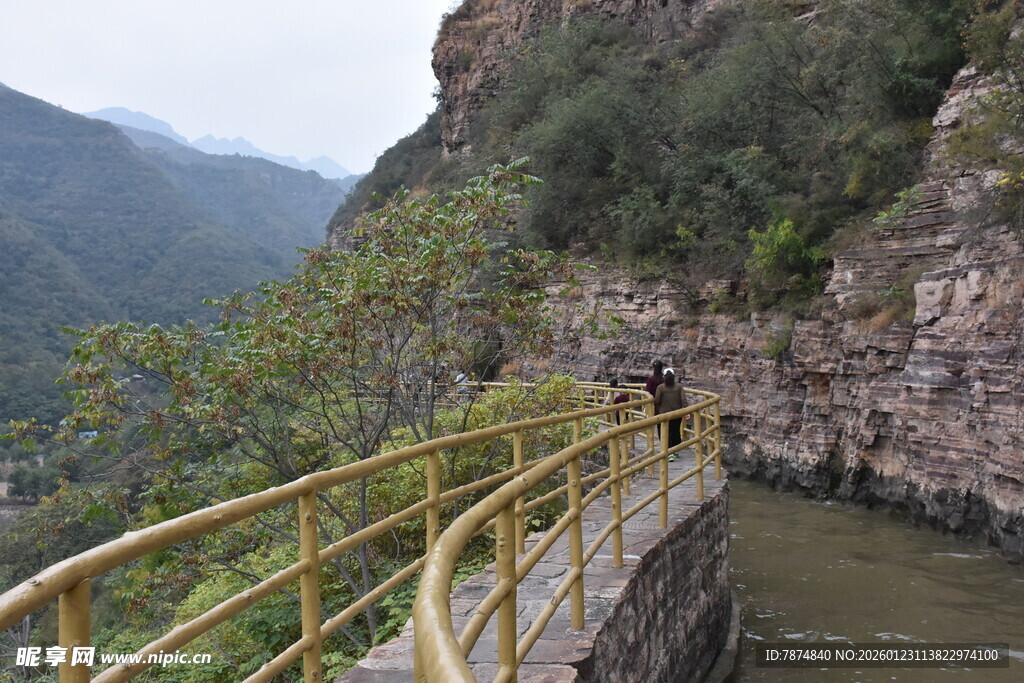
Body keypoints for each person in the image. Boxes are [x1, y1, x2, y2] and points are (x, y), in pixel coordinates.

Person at [654, 369, 685, 451]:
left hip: (665, 414)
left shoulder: (660, 388)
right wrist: (686, 411)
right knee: (676, 431)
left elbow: (657, 400)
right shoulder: (679, 387)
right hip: (677, 413)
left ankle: (668, 450)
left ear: (664, 377)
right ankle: (676, 449)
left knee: (666, 432)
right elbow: (683, 399)